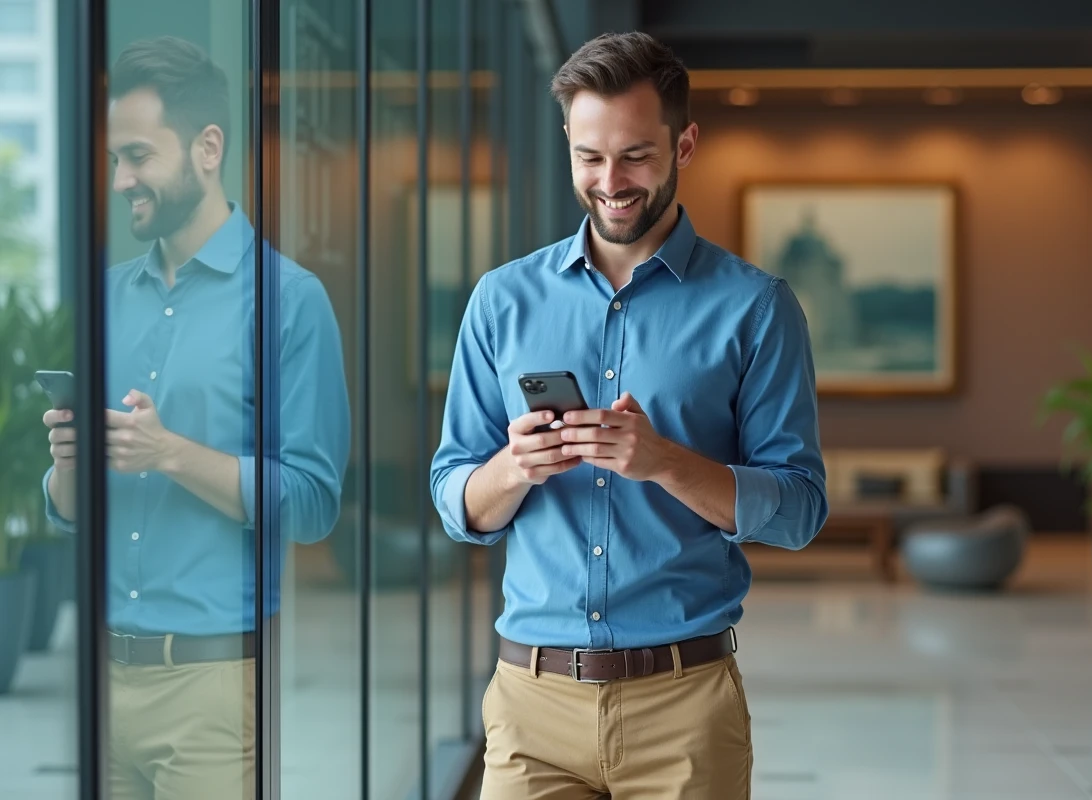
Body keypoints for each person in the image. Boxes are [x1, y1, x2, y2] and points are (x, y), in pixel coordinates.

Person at [430, 31, 828, 800]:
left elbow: (800, 510)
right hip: (530, 705)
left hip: (684, 708)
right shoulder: (500, 301)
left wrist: (662, 461)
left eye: (636, 155)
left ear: (684, 144)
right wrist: (515, 468)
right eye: (589, 156)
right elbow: (455, 498)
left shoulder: (755, 308)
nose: (610, 181)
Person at [42, 37, 350, 800]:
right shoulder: (107, 298)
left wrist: (169, 453)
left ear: (208, 147)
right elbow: (70, 516)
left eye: (139, 156)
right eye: (115, 160)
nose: (121, 180)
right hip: (99, 685)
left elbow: (313, 506)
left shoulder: (290, 301)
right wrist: (69, 468)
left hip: (214, 690)